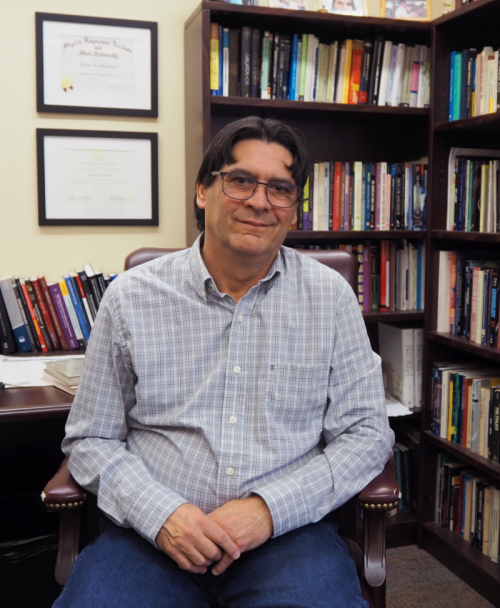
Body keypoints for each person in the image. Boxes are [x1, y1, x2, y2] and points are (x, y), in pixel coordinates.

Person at [54, 116, 394, 608]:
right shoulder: (130, 297)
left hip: (288, 537)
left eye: (280, 188)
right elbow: (91, 438)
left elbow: (366, 434)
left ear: (292, 210)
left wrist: (267, 511)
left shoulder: (330, 298)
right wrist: (163, 515)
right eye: (240, 181)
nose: (260, 201)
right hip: (151, 536)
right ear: (202, 191)